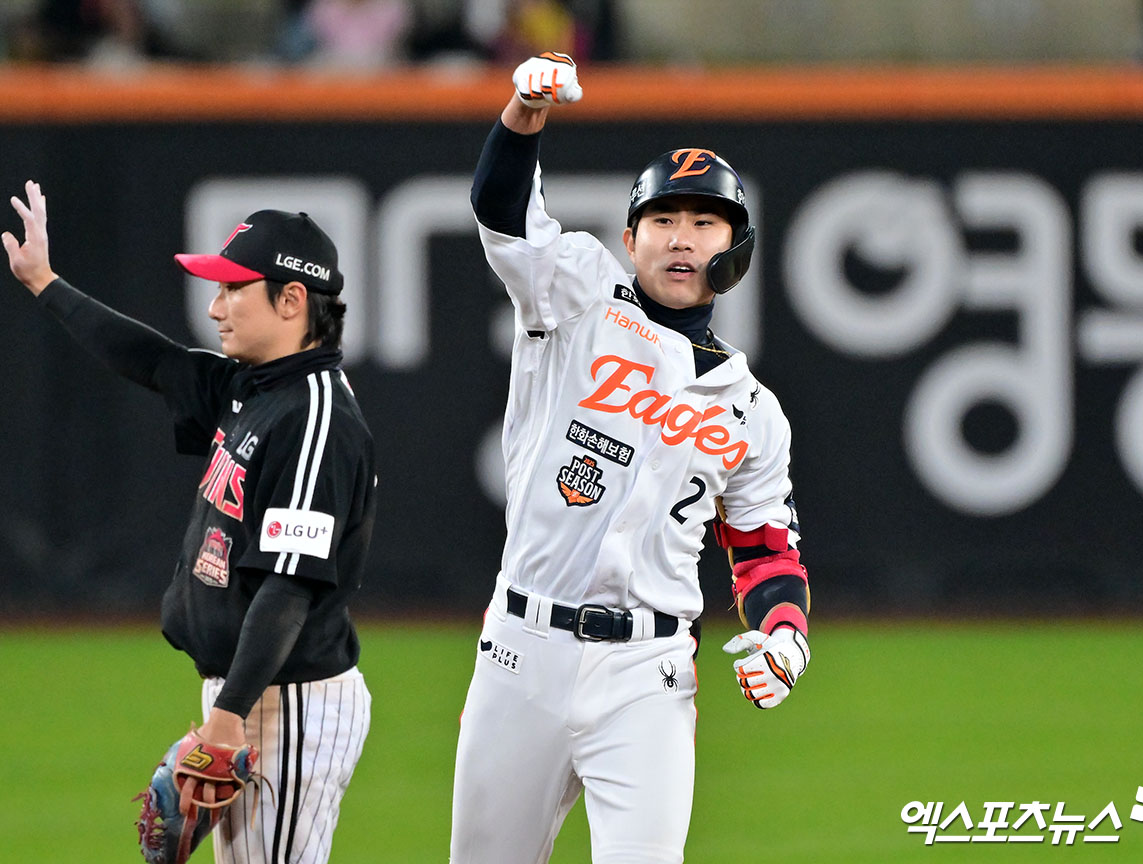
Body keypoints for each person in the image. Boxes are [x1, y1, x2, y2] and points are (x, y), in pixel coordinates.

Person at [449, 54, 812, 864]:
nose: (682, 239)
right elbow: (501, 210)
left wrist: (787, 633)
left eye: (705, 221)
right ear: (630, 237)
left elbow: (764, 551)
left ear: (738, 246)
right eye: (663, 219)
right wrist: (523, 113)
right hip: (523, 651)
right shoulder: (577, 295)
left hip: (647, 671)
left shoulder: (754, 412)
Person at [3, 182, 376, 864]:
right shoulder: (256, 383)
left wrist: (227, 720)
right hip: (249, 695)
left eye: (235, 288)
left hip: (283, 704)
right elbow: (153, 361)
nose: (215, 307)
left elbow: (288, 587)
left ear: (292, 300)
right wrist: (45, 282)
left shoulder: (316, 419)